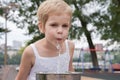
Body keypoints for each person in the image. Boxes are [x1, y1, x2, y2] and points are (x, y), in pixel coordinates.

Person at [15, 0, 74, 80]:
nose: (60, 31)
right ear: (41, 27)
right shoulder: (31, 52)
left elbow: (70, 72)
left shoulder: (70, 47)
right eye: (54, 25)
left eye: (65, 26)